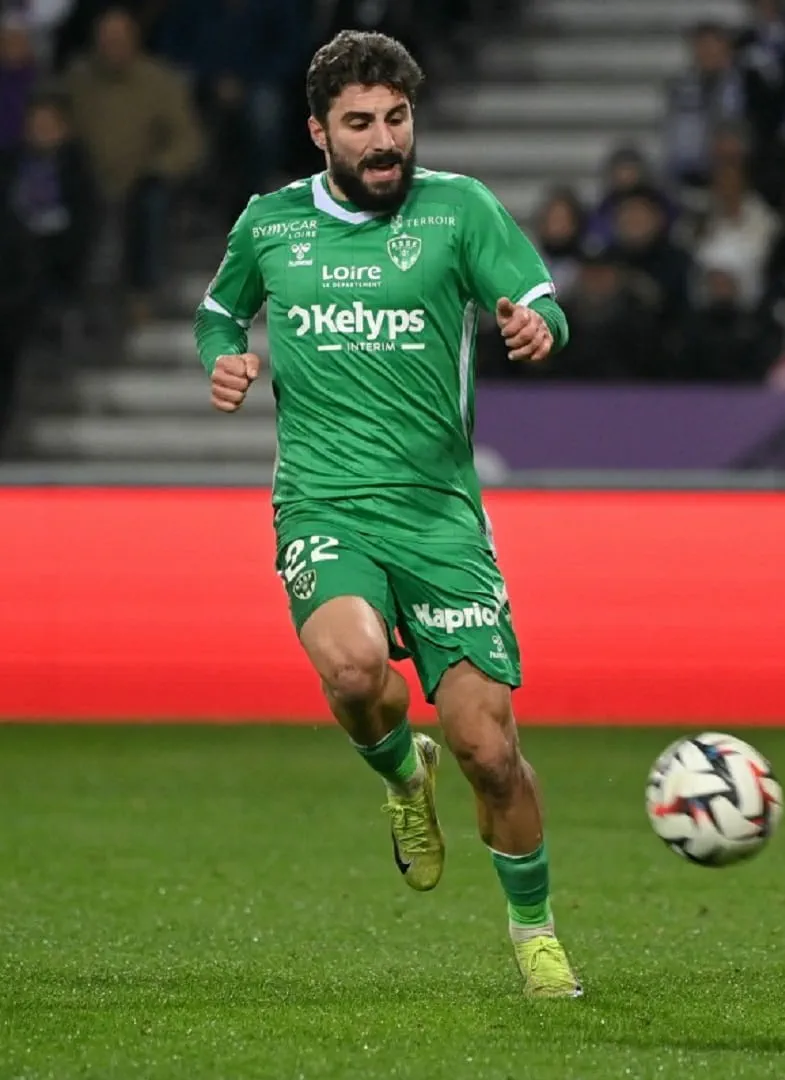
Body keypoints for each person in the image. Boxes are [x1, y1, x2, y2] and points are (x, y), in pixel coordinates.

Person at [193, 30, 582, 1000]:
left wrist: (537, 322)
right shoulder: (271, 224)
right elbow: (216, 309)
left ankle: (534, 932)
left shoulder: (461, 211)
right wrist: (221, 355)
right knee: (355, 665)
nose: (384, 142)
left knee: (491, 752)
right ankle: (403, 780)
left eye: (397, 120)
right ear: (319, 129)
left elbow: (538, 295)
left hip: (442, 517)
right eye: (361, 124)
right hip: (323, 503)